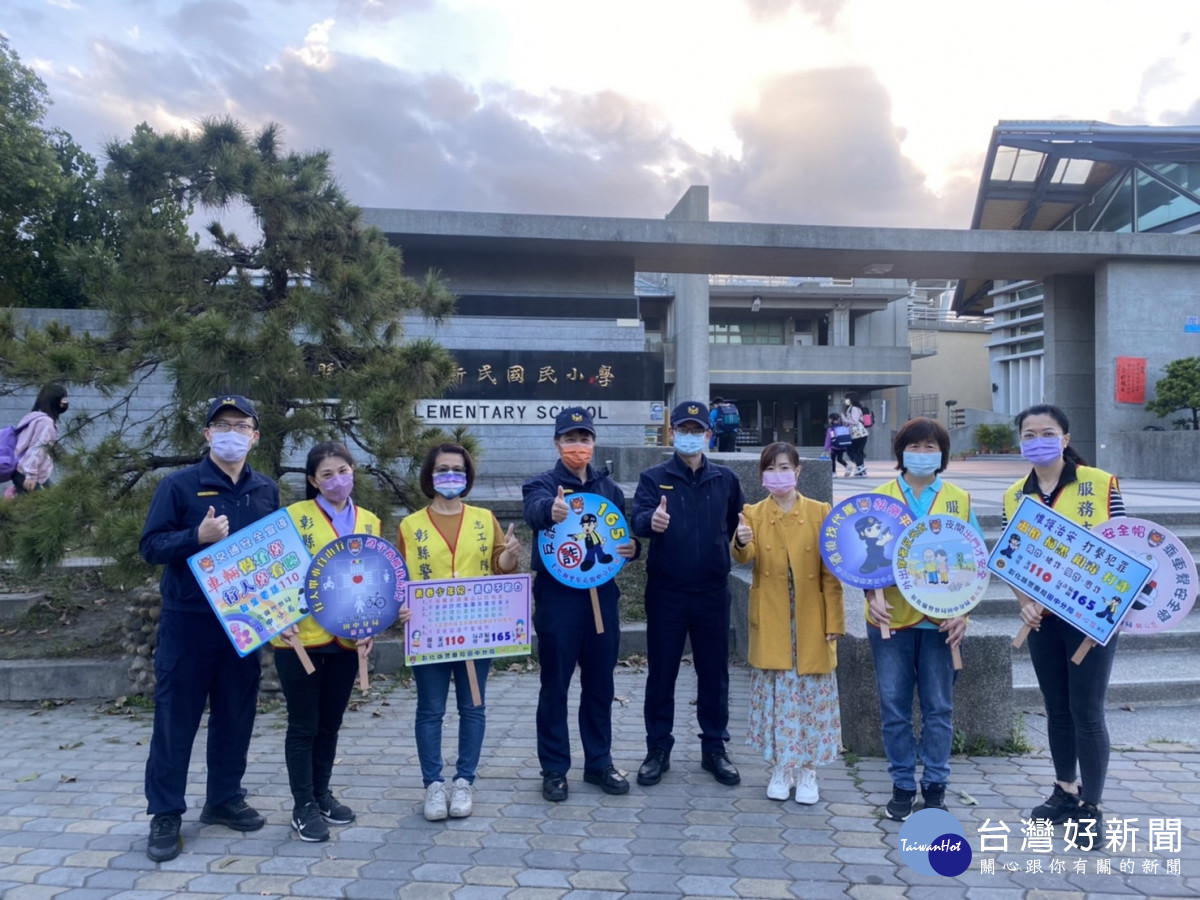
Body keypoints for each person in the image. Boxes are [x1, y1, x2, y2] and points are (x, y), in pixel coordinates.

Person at [140, 395, 280, 863]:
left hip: (244, 624)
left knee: (235, 714)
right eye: (223, 425)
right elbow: (151, 546)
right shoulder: (179, 487)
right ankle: (165, 813)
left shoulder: (265, 490)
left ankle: (223, 798)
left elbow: (275, 558)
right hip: (190, 622)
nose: (232, 433)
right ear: (206, 434)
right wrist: (194, 539)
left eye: (242, 426)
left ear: (255, 436)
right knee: (176, 719)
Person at [273, 442, 409, 842]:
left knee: (330, 724)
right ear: (313, 481)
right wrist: (276, 620)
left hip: (349, 641)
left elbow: (375, 575)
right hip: (301, 639)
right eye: (327, 474)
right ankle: (303, 805)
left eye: (343, 471)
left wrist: (375, 624)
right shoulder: (292, 518)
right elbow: (274, 574)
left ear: (354, 472)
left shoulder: (368, 519)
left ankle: (322, 794)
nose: (337, 480)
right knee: (304, 725)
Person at [1004, 404, 1125, 827]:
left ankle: (1091, 808)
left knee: (1087, 711)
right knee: (1056, 708)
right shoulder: (1015, 494)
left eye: (1047, 433)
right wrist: (1024, 602)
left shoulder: (1100, 483)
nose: (1038, 441)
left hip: (1091, 620)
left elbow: (1124, 550)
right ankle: (1064, 790)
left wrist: (1108, 608)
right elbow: (1013, 557)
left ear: (1066, 439)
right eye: (1029, 434)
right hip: (1042, 621)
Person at [398, 443, 523, 822]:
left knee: (473, 707)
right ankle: (434, 785)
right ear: (430, 476)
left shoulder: (485, 518)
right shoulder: (410, 525)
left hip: (475, 628)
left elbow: (500, 566)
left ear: (467, 476)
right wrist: (399, 607)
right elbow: (398, 577)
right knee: (430, 709)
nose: (450, 475)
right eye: (442, 469)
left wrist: (512, 554)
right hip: (430, 630)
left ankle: (464, 780)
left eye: (457, 469)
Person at [522, 407, 641, 802]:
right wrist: (550, 511)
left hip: (601, 597)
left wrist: (633, 548)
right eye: (570, 439)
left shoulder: (608, 489)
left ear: (593, 443)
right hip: (558, 599)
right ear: (557, 443)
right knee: (555, 684)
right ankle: (554, 768)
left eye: (584, 438)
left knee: (600, 683)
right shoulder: (541, 484)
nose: (578, 446)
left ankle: (599, 762)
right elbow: (535, 511)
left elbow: (620, 537)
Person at [867, 416, 979, 821]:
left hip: (942, 622)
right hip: (890, 618)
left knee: (939, 708)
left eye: (932, 447)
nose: (923, 453)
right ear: (900, 452)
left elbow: (975, 562)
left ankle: (934, 786)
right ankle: (901, 783)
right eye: (915, 446)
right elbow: (862, 560)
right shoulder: (879, 498)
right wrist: (869, 595)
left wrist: (964, 612)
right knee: (894, 705)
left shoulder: (958, 499)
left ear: (943, 454)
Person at [632, 400, 746, 787]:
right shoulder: (653, 477)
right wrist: (653, 520)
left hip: (713, 591)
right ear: (672, 433)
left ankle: (714, 747)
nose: (690, 436)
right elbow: (638, 519)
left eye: (697, 430)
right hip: (667, 591)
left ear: (708, 435)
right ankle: (657, 748)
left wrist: (742, 539)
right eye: (684, 429)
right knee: (661, 672)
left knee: (714, 673)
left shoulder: (725, 479)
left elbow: (734, 524)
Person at [732, 442, 844, 803]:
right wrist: (740, 539)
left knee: (812, 696)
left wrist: (835, 620)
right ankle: (781, 766)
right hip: (775, 615)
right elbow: (745, 557)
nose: (778, 474)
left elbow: (832, 572)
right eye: (771, 468)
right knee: (779, 696)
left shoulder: (821, 511)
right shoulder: (752, 513)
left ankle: (808, 771)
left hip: (812, 616)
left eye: (785, 467)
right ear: (762, 475)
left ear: (798, 472)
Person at [11, 383, 69, 494]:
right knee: (53, 506)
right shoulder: (45, 422)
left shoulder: (33, 417)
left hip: (24, 472)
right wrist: (31, 475)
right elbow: (37, 448)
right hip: (29, 474)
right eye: (63, 400)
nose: (65, 403)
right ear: (55, 401)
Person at [823, 412, 853, 478]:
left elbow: (828, 439)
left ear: (831, 419)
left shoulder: (831, 429)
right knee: (839, 459)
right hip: (842, 446)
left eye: (829, 419)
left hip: (834, 447)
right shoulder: (843, 427)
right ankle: (847, 466)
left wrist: (826, 448)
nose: (828, 420)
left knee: (832, 460)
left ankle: (834, 473)